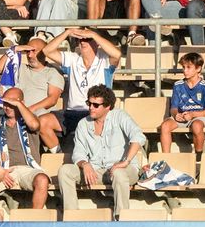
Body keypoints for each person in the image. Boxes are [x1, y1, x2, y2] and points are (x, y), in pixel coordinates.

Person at [59, 84, 146, 217]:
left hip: (124, 170)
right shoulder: (83, 124)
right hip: (96, 171)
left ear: (108, 106)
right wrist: (84, 164)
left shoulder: (120, 116)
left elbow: (138, 136)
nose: (90, 107)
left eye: (95, 105)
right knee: (65, 171)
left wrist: (126, 161)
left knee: (118, 173)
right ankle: (71, 217)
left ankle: (121, 218)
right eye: (89, 103)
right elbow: (78, 152)